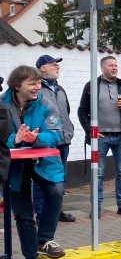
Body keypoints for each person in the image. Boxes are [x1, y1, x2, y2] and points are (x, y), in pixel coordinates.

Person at [2, 66, 67, 259]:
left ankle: (45, 239)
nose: (37, 87)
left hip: (44, 161)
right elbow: (1, 138)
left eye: (38, 82)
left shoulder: (46, 104)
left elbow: (55, 134)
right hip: (14, 166)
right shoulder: (2, 105)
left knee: (56, 191)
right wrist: (16, 140)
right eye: (32, 83)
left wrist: (35, 139)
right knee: (23, 215)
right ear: (16, 85)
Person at [77, 56, 121, 218]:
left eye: (116, 65)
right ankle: (96, 207)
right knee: (97, 173)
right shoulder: (92, 86)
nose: (114, 68)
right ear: (102, 68)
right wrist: (89, 130)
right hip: (100, 138)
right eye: (110, 65)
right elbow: (82, 111)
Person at [33, 55, 76, 222]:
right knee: (42, 177)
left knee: (59, 177)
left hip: (63, 140)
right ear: (42, 68)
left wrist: (69, 131)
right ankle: (41, 213)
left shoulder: (60, 89)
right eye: (53, 64)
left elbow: (66, 112)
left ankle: (57, 210)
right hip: (46, 142)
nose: (57, 67)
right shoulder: (37, 90)